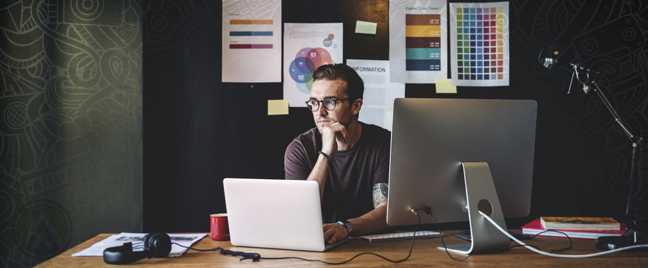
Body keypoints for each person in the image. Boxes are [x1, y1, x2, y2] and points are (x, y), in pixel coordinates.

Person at [284, 63, 392, 244]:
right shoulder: (299, 149)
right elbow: (300, 212)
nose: (320, 111)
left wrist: (345, 227)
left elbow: (387, 210)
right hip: (319, 244)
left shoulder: (383, 143)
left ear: (356, 106)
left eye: (330, 102)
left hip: (372, 244)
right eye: (314, 102)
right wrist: (325, 155)